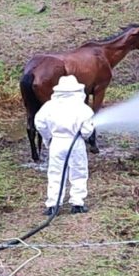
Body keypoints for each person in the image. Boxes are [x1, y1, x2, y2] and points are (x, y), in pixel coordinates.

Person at [35, 75, 96, 216]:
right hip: (75, 143)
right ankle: (77, 203)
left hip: (57, 142)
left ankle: (53, 205)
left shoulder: (49, 106)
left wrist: (48, 137)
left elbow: (39, 123)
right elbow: (87, 131)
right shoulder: (82, 108)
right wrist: (83, 135)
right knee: (79, 172)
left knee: (55, 173)